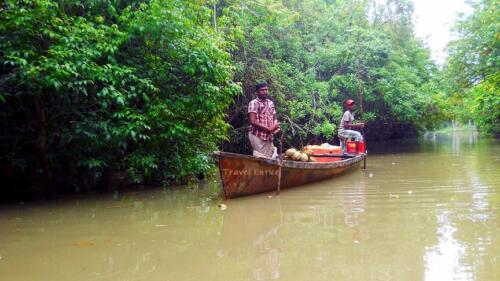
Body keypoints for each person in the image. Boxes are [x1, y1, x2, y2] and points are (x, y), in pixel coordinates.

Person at [248, 82, 280, 158]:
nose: (265, 92)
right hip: (257, 135)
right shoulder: (254, 103)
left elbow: (274, 117)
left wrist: (276, 126)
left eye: (266, 90)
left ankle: (268, 170)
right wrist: (269, 129)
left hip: (268, 135)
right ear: (257, 92)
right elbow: (253, 121)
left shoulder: (270, 103)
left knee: (269, 157)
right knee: (261, 157)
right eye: (262, 90)